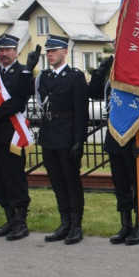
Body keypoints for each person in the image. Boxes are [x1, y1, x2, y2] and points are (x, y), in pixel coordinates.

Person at [88, 54, 139, 246]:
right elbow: (93, 92)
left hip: (135, 140)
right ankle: (125, 224)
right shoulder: (111, 82)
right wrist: (101, 70)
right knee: (121, 186)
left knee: (138, 185)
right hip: (114, 139)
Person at [0, 35, 39, 242]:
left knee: (13, 178)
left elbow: (18, 101)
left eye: (8, 50)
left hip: (11, 133)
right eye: (1, 50)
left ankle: (20, 222)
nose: (4, 54)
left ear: (16, 51)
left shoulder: (22, 73)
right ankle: (9, 218)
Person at [36, 34, 89, 245]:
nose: (50, 54)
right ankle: (64, 222)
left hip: (67, 137)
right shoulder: (44, 77)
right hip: (49, 135)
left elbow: (81, 112)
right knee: (57, 183)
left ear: (64, 52)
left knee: (71, 182)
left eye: (54, 51)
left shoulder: (75, 77)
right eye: (48, 51)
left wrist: (79, 140)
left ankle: (76, 225)